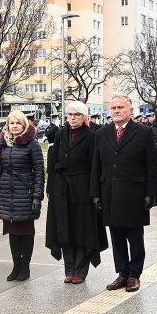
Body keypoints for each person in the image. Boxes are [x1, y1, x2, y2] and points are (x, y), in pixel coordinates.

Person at [92, 94, 157, 293]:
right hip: (110, 193)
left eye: (121, 107)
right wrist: (95, 193)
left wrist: (151, 193)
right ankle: (122, 273)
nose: (116, 111)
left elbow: (152, 166)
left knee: (135, 237)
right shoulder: (101, 134)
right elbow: (96, 165)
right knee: (116, 236)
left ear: (131, 110)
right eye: (113, 108)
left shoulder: (144, 132)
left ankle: (134, 274)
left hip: (134, 194)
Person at [45, 100, 107, 283]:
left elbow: (95, 165)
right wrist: (51, 187)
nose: (72, 118)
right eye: (70, 114)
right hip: (61, 188)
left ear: (84, 117)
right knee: (64, 229)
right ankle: (69, 269)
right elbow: (52, 161)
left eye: (77, 114)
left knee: (81, 230)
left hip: (82, 188)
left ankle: (80, 271)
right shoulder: (60, 134)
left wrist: (94, 191)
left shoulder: (90, 136)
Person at [0, 111, 44, 282]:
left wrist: (37, 197)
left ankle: (25, 266)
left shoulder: (32, 144)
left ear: (24, 125)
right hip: (7, 194)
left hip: (25, 194)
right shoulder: (2, 143)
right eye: (11, 123)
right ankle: (16, 266)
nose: (14, 126)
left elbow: (39, 172)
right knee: (13, 232)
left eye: (18, 123)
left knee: (26, 232)